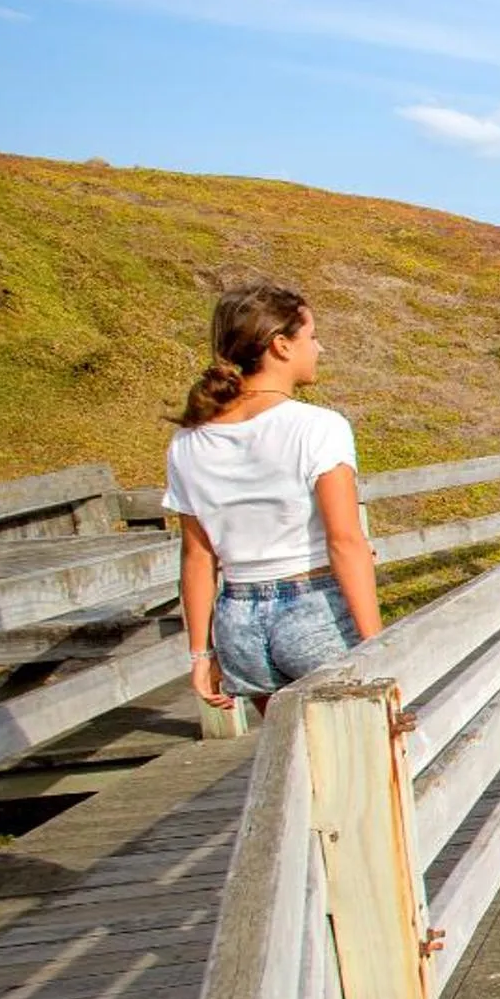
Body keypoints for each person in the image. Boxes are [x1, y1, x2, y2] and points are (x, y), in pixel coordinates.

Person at [164, 285, 382, 714]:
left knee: (295, 763)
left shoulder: (187, 440)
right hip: (315, 608)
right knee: (361, 760)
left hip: (239, 622)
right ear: (281, 346)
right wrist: (379, 645)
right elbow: (344, 542)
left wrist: (200, 654)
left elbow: (197, 556)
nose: (319, 347)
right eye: (312, 336)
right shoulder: (317, 427)